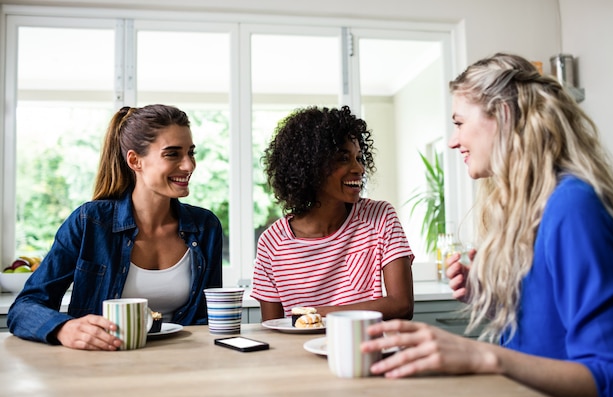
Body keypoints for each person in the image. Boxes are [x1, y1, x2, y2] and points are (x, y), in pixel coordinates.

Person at [361, 53, 613, 397]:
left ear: (502, 115)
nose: (454, 141)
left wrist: (482, 355)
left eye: (459, 123)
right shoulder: (529, 206)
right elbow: (549, 331)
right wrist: (490, 294)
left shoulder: (572, 206)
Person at [7, 104, 223, 350]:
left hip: (185, 364)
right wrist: (63, 328)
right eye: (172, 154)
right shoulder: (89, 222)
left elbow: (209, 317)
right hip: (104, 363)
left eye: (191, 153)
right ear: (135, 160)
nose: (189, 165)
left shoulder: (206, 227)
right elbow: (24, 307)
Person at [251, 105, 414, 322]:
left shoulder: (379, 217)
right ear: (311, 166)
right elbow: (272, 328)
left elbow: (402, 305)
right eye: (343, 159)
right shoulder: (272, 243)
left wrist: (318, 313)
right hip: (299, 354)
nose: (359, 169)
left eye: (359, 158)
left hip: (363, 352)